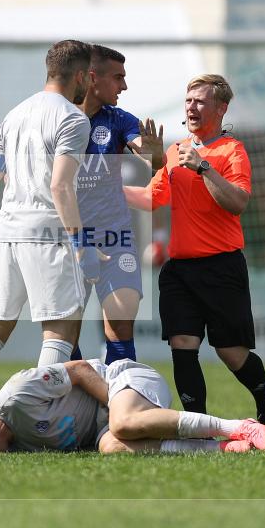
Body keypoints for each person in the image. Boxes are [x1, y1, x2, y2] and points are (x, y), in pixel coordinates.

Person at [123, 74, 265, 448]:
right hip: (179, 270)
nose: (192, 107)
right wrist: (106, 188)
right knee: (182, 344)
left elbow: (238, 202)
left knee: (231, 353)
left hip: (222, 266)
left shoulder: (231, 151)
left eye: (200, 101)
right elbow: (152, 198)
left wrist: (205, 168)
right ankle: (201, 433)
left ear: (221, 108)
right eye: (188, 101)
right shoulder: (176, 150)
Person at [0, 40, 94, 418]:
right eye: (87, 78)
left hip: (8, 232)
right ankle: (34, 419)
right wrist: (81, 242)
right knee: (59, 333)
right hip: (47, 233)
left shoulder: (13, 115)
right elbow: (61, 186)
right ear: (79, 76)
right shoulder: (74, 119)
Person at [0, 358, 265, 455]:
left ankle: (239, 426)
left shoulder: (15, 395)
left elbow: (81, 371)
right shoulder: (15, 445)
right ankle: (224, 448)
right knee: (112, 446)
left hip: (124, 381)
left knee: (123, 424)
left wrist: (114, 410)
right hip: (106, 425)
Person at [70, 44, 165, 362]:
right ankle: (80, 402)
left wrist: (156, 155)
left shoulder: (119, 119)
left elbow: (149, 155)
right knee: (64, 330)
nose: (124, 86)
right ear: (92, 78)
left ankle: (121, 401)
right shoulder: (59, 118)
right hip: (69, 238)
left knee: (121, 322)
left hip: (115, 237)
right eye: (118, 78)